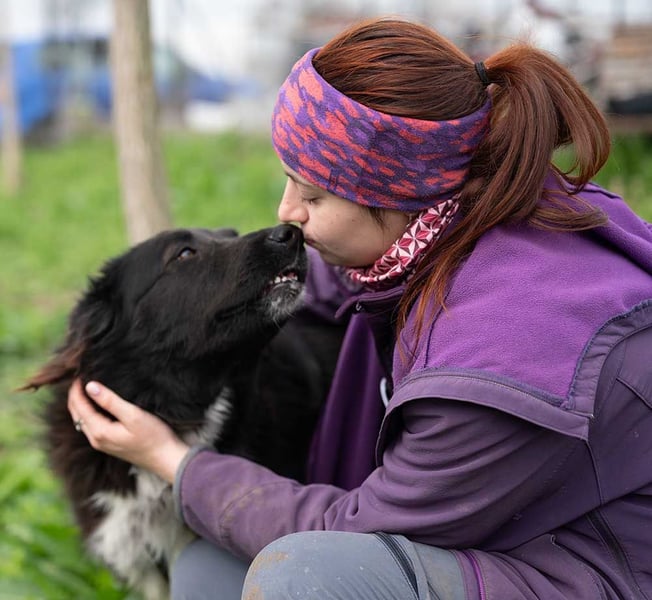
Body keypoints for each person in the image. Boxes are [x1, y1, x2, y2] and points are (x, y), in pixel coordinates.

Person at [67, 16, 652, 600]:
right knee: (209, 567)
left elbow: (353, 531)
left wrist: (176, 463)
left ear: (399, 196)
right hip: (526, 545)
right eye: (289, 182)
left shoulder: (500, 358)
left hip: (597, 577)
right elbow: (335, 288)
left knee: (305, 574)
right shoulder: (477, 216)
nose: (287, 212)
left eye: (314, 195)